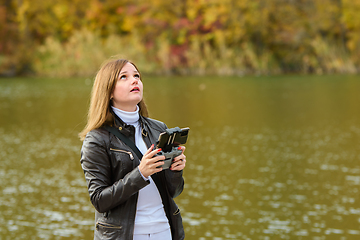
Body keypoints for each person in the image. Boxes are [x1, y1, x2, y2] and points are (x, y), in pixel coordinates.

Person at [79, 59, 186, 240]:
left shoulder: (158, 129)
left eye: (137, 76)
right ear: (109, 90)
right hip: (124, 235)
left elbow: (174, 191)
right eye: (124, 77)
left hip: (164, 230)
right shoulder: (97, 139)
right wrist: (141, 174)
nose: (134, 80)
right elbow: (99, 200)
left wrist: (176, 170)